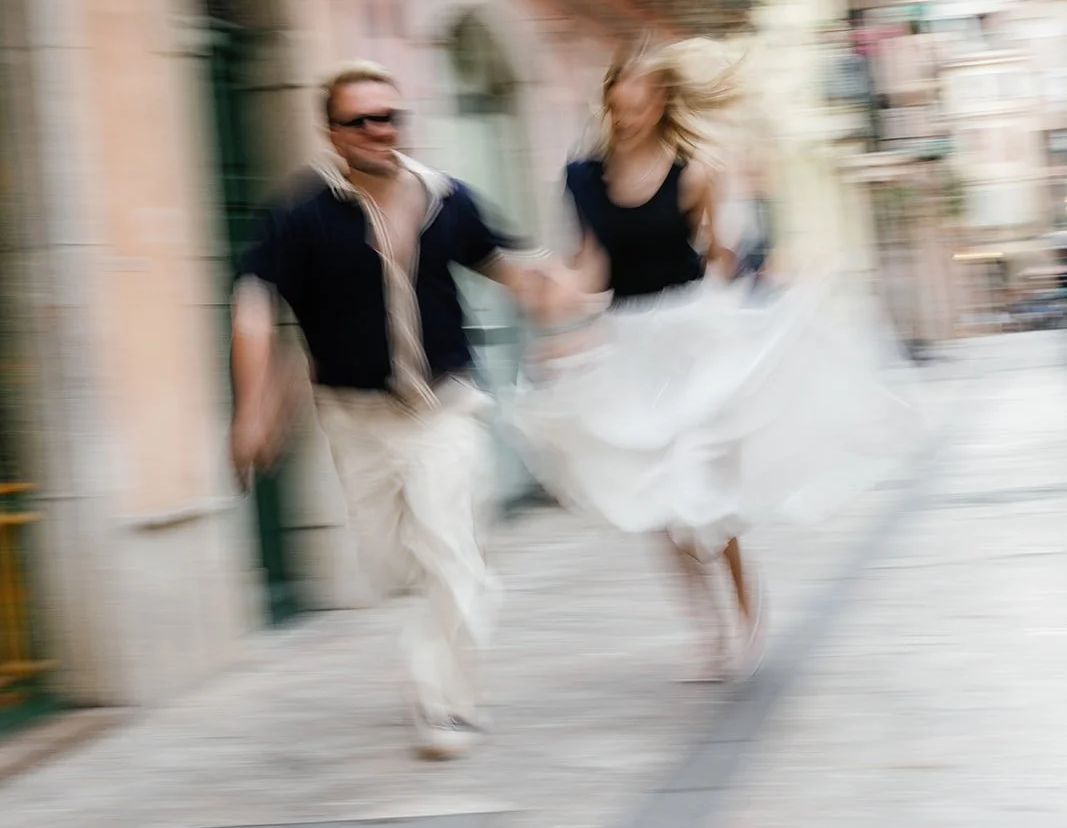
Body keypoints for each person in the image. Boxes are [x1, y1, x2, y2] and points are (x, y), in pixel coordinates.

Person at [513, 39, 914, 683]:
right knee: (659, 504)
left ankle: (746, 607)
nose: (626, 120)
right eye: (617, 109)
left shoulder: (694, 171)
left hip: (695, 333)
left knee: (700, 485)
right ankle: (711, 629)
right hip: (629, 340)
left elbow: (720, 259)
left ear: (660, 104)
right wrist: (558, 302)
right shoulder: (582, 180)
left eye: (637, 109)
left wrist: (765, 298)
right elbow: (591, 266)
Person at [230, 60, 574, 761]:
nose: (379, 130)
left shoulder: (447, 199)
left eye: (389, 117)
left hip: (443, 406)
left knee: (450, 551)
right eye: (361, 120)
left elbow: (512, 269)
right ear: (333, 133)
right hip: (356, 419)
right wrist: (251, 409)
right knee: (390, 563)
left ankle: (441, 700)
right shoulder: (300, 215)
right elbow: (252, 307)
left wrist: (556, 297)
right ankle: (447, 633)